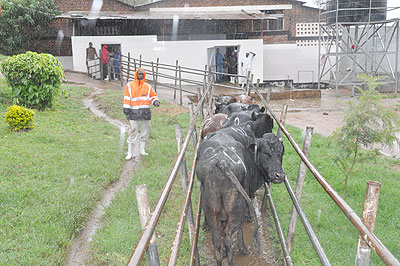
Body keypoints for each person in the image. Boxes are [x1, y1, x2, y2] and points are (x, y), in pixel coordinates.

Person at [123, 68, 160, 160]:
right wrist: (127, 112)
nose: (140, 75)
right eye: (139, 74)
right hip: (133, 112)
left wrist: (155, 102)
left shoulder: (148, 87)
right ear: (136, 75)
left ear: (144, 75)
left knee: (145, 131)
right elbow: (127, 99)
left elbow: (153, 96)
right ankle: (130, 153)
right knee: (133, 131)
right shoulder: (130, 86)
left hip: (145, 112)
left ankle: (142, 150)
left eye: (142, 74)